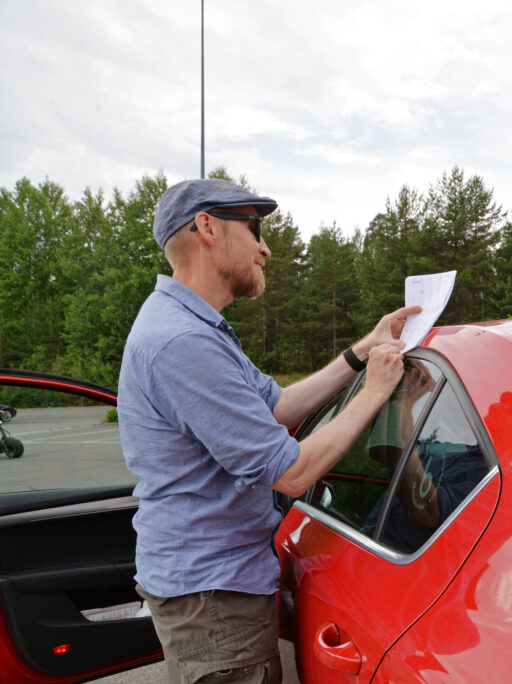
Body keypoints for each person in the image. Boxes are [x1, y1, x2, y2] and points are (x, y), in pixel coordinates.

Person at [117, 178, 419, 683]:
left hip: (209, 589)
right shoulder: (183, 341)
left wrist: (362, 351)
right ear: (208, 228)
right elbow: (292, 474)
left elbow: (278, 407)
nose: (266, 247)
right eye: (254, 227)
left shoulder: (195, 325)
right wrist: (373, 392)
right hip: (215, 602)